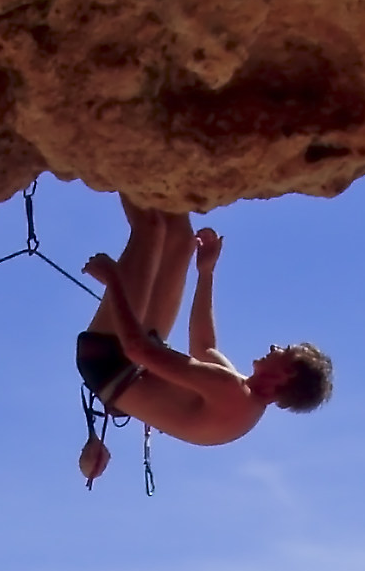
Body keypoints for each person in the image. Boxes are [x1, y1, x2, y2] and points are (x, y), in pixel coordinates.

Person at [73, 197, 332, 483]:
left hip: (110, 361)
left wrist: (114, 280)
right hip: (134, 360)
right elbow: (204, 346)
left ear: (286, 375)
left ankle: (118, 158)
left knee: (150, 228)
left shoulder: (234, 394)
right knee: (182, 241)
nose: (275, 347)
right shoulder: (243, 396)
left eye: (285, 351)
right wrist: (205, 272)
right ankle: (166, 177)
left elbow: (137, 349)